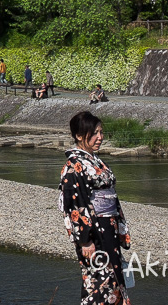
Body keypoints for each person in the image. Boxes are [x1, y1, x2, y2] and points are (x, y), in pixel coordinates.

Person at [59, 110, 131, 305]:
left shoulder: (95, 161)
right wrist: (84, 240)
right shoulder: (74, 166)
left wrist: (120, 226)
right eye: (94, 133)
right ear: (79, 136)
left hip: (109, 226)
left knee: (115, 274)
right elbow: (74, 205)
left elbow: (112, 197)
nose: (100, 137)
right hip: (93, 230)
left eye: (101, 132)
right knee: (99, 278)